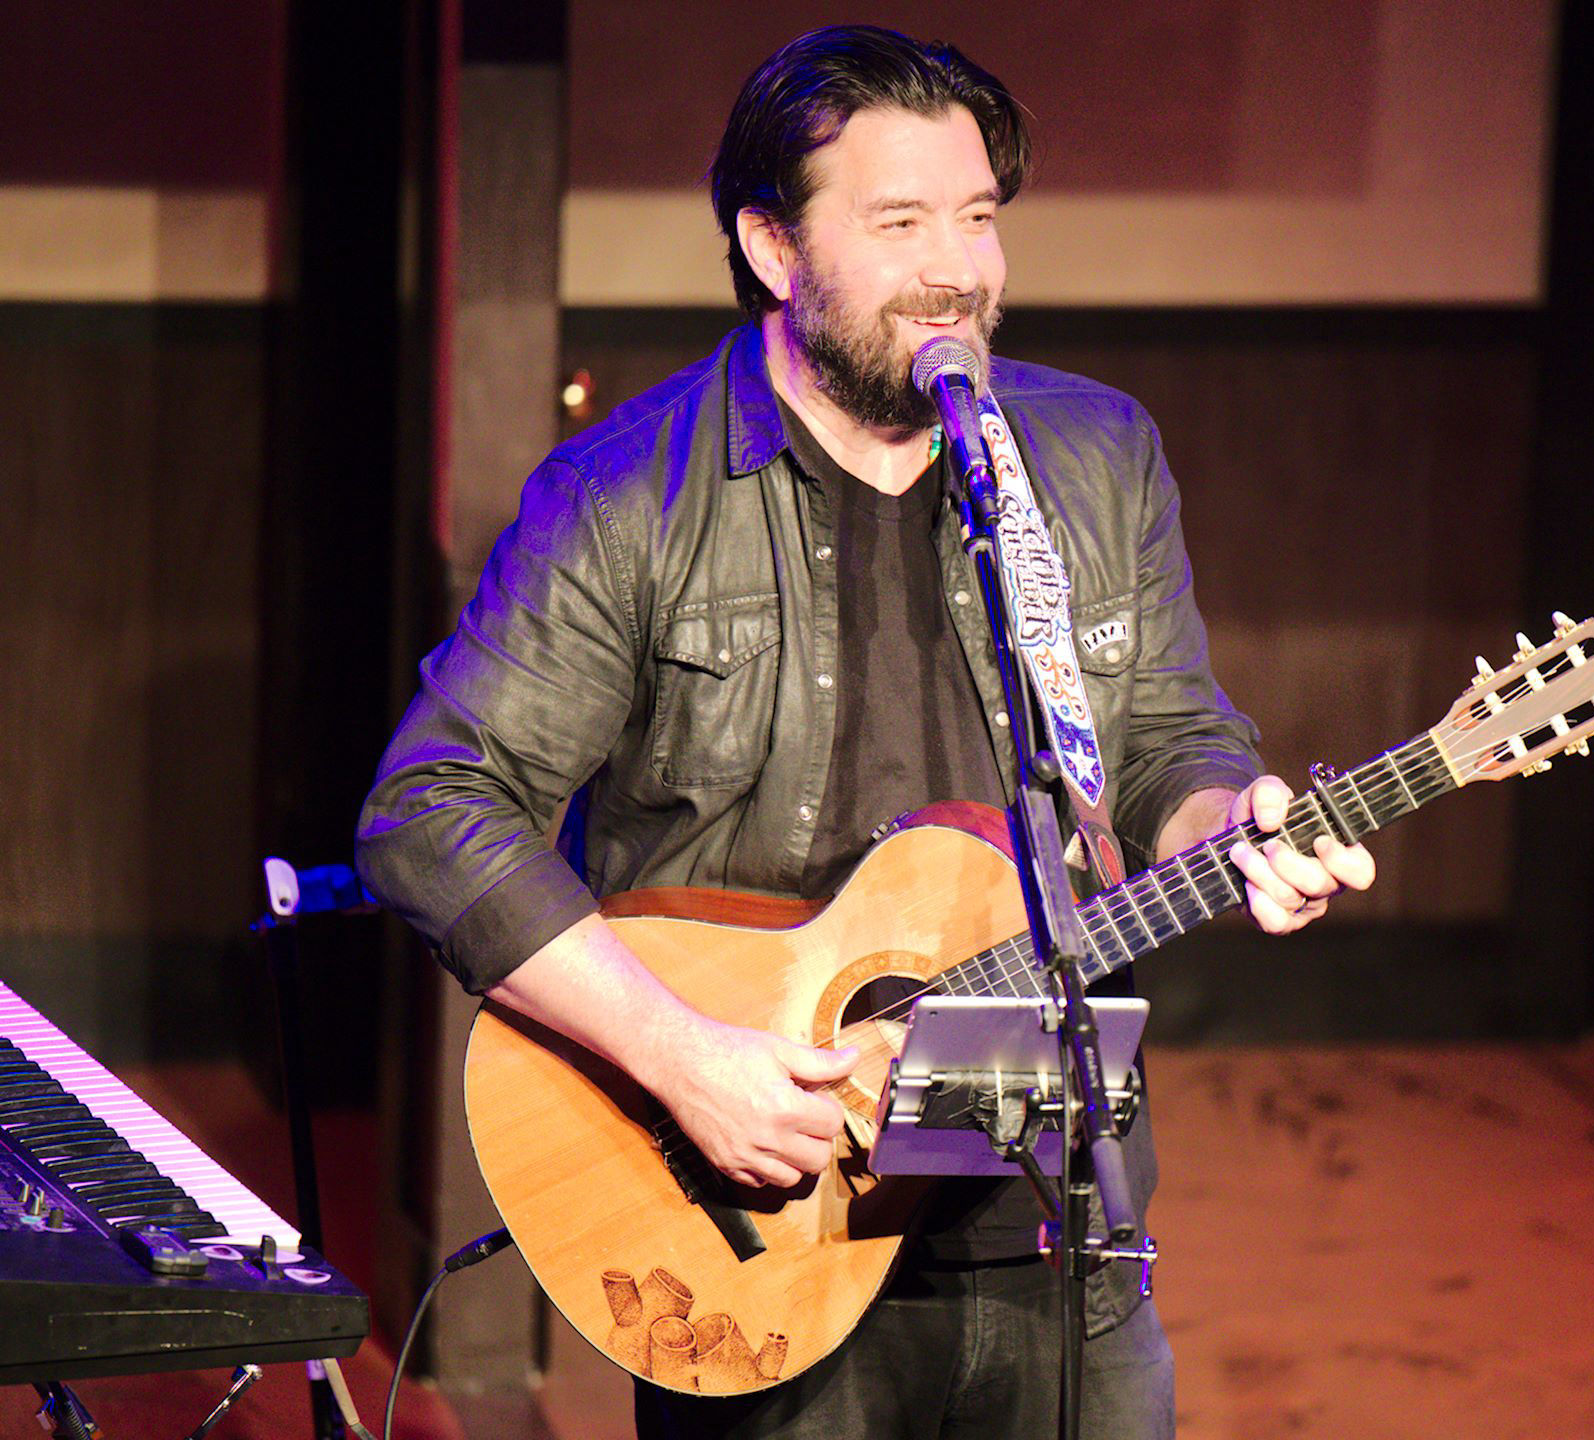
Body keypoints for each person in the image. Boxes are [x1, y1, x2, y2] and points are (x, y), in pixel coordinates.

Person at [356, 24, 1374, 1439]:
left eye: (978, 217)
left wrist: (1230, 822)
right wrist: (683, 1059)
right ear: (774, 248)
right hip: (758, 1213)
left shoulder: (1094, 457)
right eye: (900, 223)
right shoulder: (625, 498)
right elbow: (430, 810)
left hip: (1052, 1209)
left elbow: (1161, 741)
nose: (957, 267)